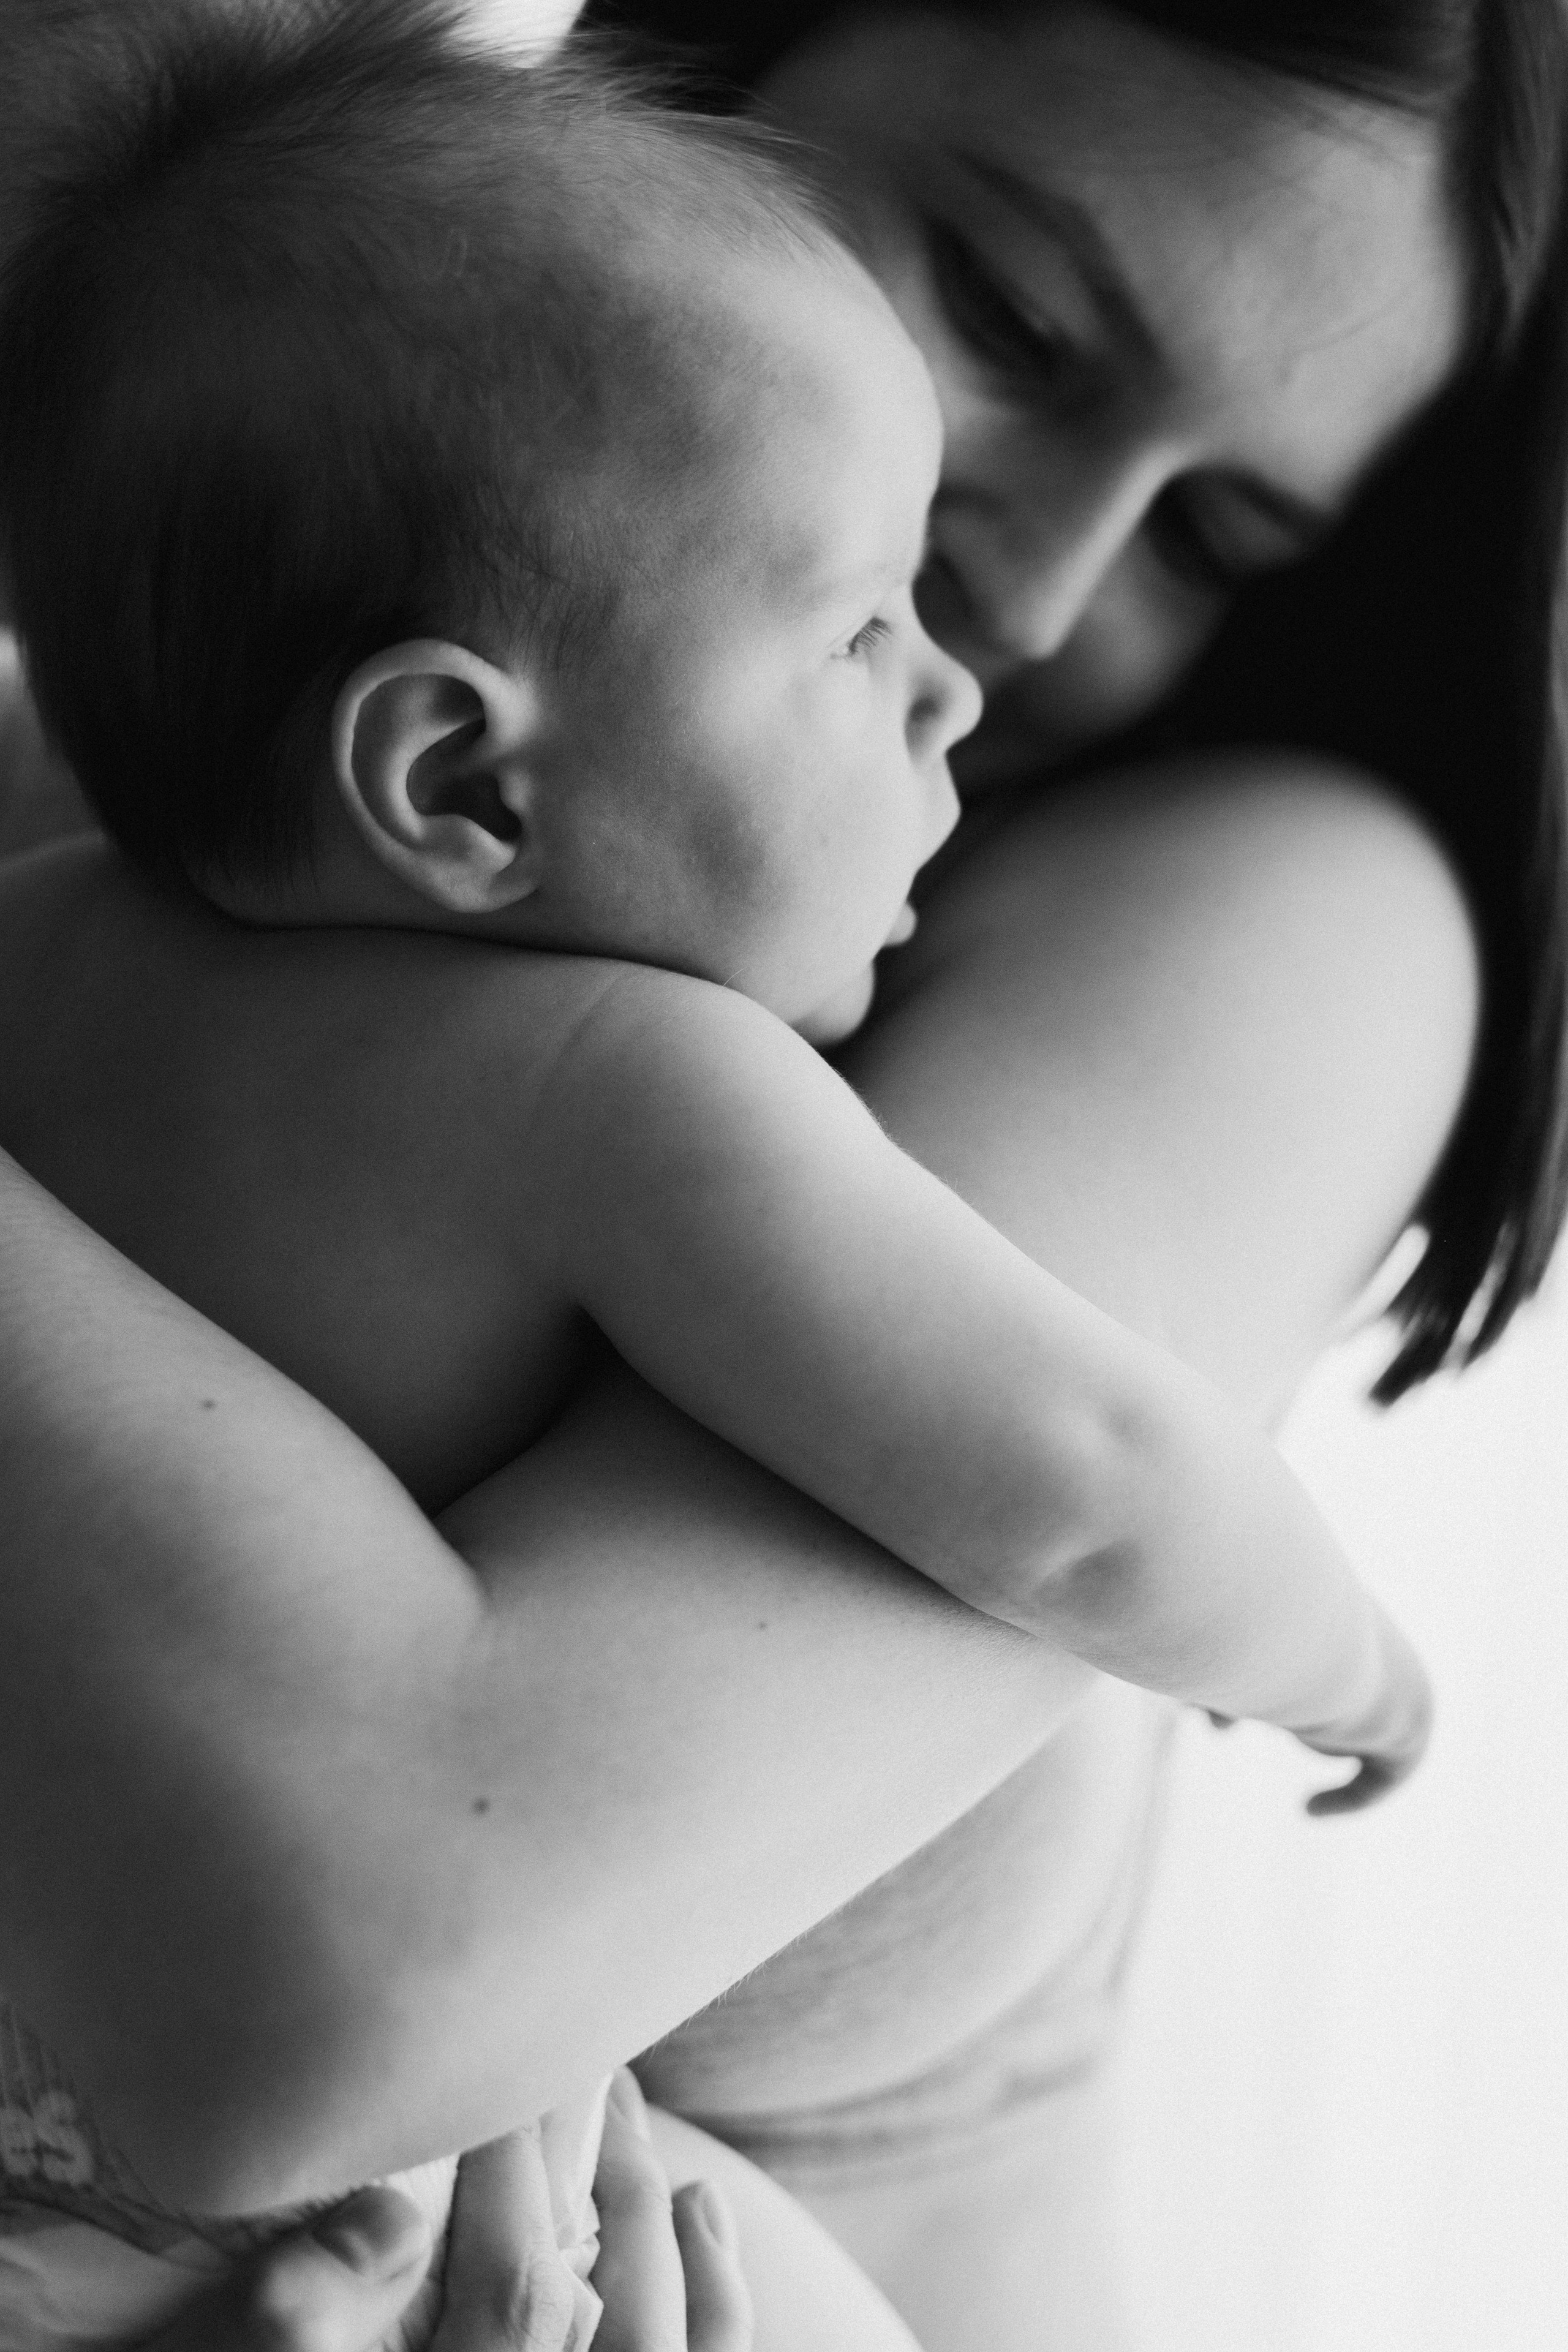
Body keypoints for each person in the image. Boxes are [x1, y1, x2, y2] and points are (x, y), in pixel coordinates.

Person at [0, 1, 1562, 2346]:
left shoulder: (1269, 903)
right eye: (1020, 317)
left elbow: (348, 1982)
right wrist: (1341, 1662)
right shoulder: (608, 1058)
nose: (1009, 615)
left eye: (1229, 531)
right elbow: (1080, 1472)